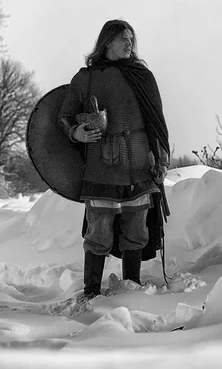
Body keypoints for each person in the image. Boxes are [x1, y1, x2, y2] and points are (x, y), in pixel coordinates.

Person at [58, 19, 170, 300]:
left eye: (131, 38)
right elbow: (63, 115)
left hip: (138, 162)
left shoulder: (142, 76)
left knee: (136, 227)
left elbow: (156, 122)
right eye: (123, 38)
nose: (129, 43)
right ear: (107, 41)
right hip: (102, 164)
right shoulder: (86, 78)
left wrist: (161, 157)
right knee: (99, 232)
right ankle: (92, 291)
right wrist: (76, 133)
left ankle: (130, 286)